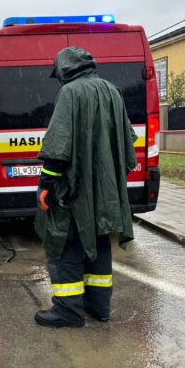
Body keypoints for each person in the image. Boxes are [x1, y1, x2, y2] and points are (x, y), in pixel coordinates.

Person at [34, 47, 137, 327]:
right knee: (100, 244)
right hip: (106, 193)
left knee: (64, 246)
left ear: (64, 69)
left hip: (74, 191)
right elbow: (129, 142)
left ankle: (68, 311)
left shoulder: (70, 93)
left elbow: (58, 147)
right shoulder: (112, 91)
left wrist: (46, 184)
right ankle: (99, 306)